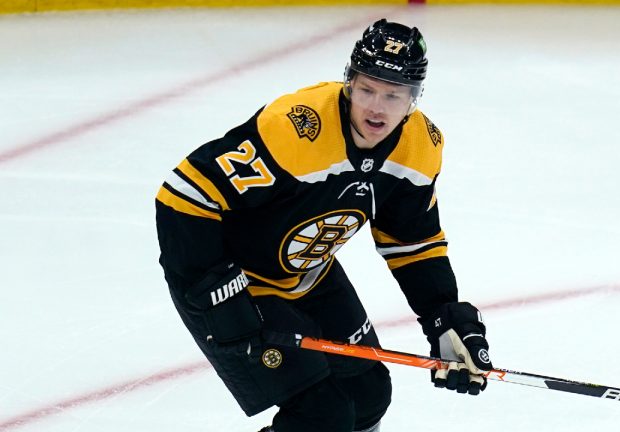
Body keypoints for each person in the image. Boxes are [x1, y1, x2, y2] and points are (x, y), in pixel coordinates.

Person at [155, 18, 493, 432]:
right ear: (349, 82)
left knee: (367, 395)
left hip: (308, 275)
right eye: (367, 88)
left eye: (393, 94)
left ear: (414, 98)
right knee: (322, 416)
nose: (376, 107)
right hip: (234, 281)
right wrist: (217, 296)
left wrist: (442, 316)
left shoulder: (419, 148)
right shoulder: (298, 129)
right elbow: (184, 195)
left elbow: (412, 243)